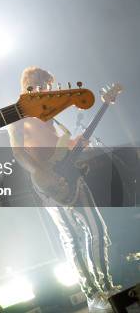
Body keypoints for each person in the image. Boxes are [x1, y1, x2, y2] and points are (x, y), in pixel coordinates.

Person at [8, 66, 119, 312]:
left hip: (72, 176)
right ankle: (92, 295)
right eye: (45, 86)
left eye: (49, 86)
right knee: (72, 238)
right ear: (31, 86)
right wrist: (40, 172)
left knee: (98, 229)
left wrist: (77, 146)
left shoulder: (52, 116)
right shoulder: (17, 116)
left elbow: (63, 145)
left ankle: (107, 287)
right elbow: (17, 151)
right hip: (49, 184)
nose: (49, 92)